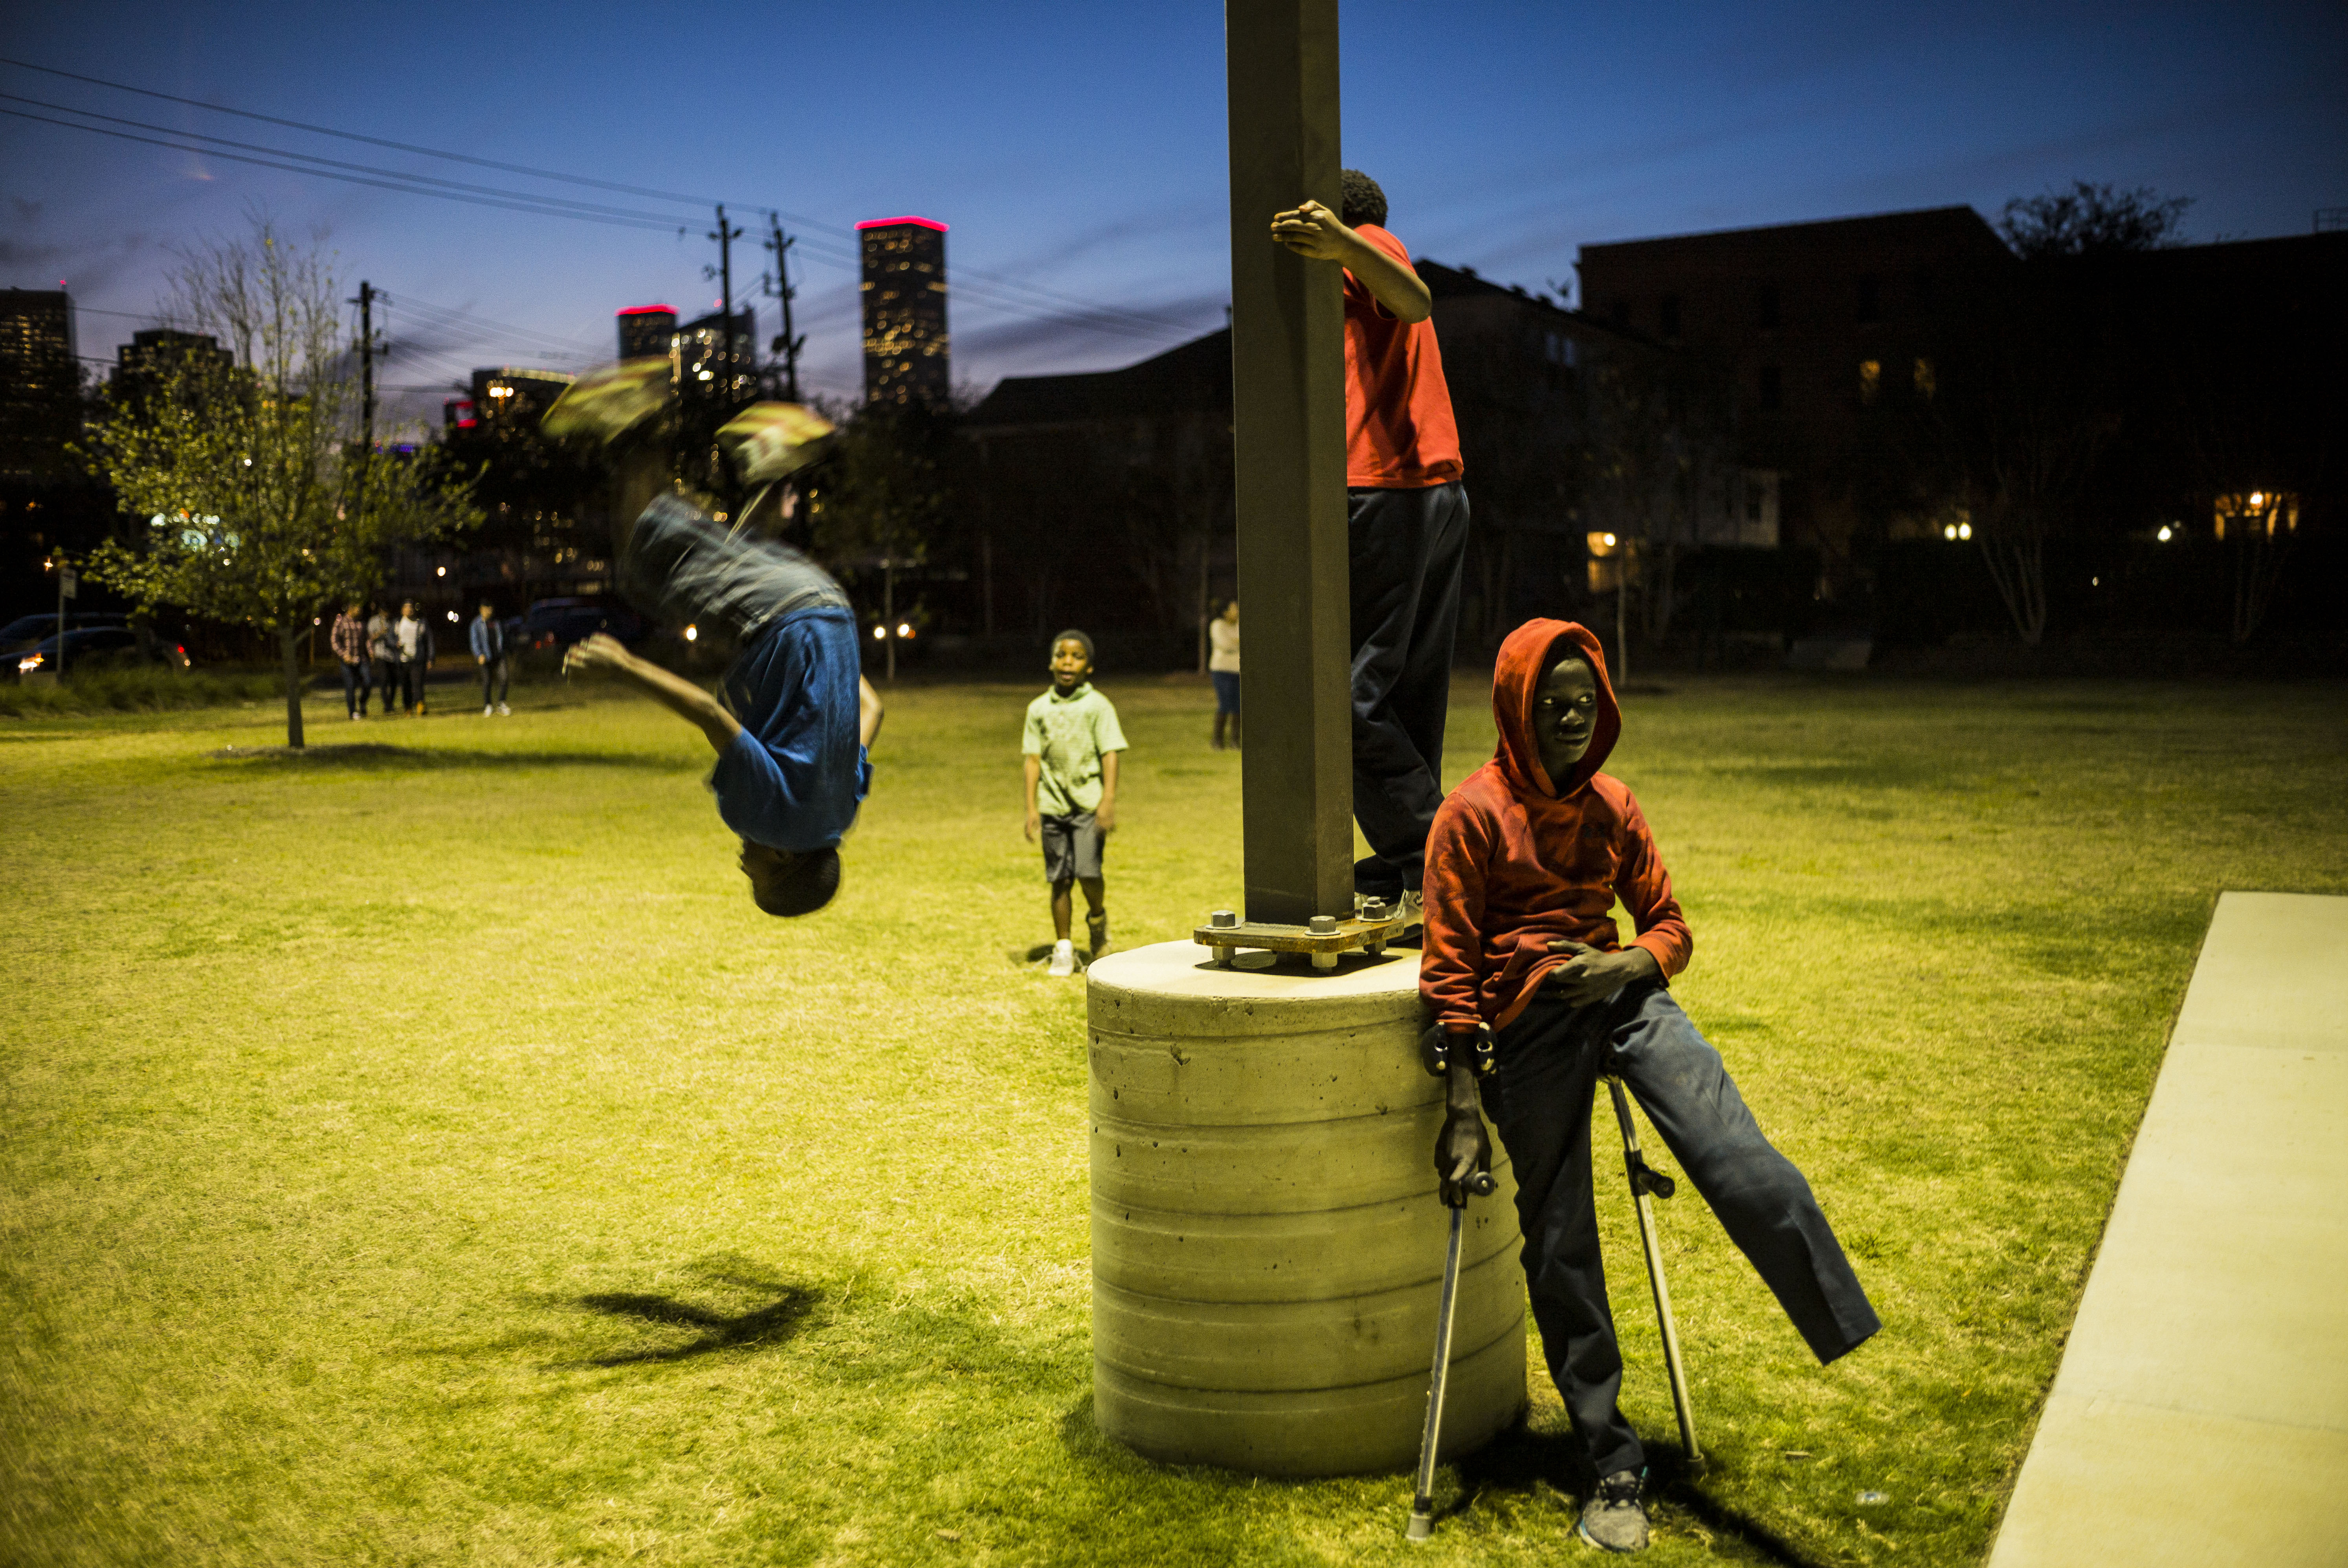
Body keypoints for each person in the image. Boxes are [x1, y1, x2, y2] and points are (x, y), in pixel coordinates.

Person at [1420, 619, 1880, 1554]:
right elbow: (1450, 976)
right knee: (1559, 1244)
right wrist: (1462, 1110)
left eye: (1582, 706)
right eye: (1548, 706)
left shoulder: (1612, 806)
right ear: (1513, 708)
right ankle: (1611, 1461)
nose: (1567, 722)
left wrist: (1626, 961)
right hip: (1530, 1023)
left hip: (1621, 996)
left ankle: (1836, 1318)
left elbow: (1668, 923)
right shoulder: (1467, 815)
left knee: (1739, 1158)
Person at [550, 361, 883, 917]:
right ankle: (634, 416)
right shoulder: (764, 818)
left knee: (726, 555)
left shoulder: (837, 815)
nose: (741, 868)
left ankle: (778, 469)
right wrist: (625, 667)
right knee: (644, 563)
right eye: (754, 880)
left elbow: (872, 708)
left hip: (828, 612)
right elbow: (710, 714)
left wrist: (829, 656)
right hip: (790, 617)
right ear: (781, 859)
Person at [1271, 169, 1467, 926]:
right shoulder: (1357, 278)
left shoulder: (1367, 250)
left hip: (1387, 490)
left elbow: (1416, 301)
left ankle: (1437, 857)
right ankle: (1400, 870)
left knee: (1342, 701)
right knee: (1408, 696)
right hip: (1439, 490)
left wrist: (1342, 241)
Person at [1022, 630, 1126, 977]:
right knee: (1060, 879)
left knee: (1088, 872)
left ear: (1089, 667)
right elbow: (1033, 760)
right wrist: (1032, 808)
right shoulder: (1038, 708)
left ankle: (1098, 921)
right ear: (1052, 662)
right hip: (1053, 806)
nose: (1068, 662)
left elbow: (1110, 752)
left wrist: (1108, 800)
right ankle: (1063, 948)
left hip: (1087, 805)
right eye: (1062, 655)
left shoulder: (1098, 706)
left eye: (1077, 656)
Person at [1208, 598, 1241, 750]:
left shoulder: (1239, 626)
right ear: (1225, 612)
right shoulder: (1217, 625)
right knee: (1225, 703)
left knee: (1238, 705)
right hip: (1221, 671)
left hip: (1238, 671)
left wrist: (1235, 641)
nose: (1238, 611)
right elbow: (1226, 645)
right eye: (1234, 609)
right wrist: (1237, 642)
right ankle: (1217, 740)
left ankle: (1235, 741)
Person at [330, 601, 371, 720]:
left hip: (361, 658)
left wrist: (371, 652)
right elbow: (334, 641)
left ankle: (363, 702)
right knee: (350, 685)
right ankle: (353, 711)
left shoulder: (362, 622)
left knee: (368, 682)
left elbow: (367, 639)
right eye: (358, 607)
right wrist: (343, 655)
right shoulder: (341, 622)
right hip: (347, 660)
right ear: (351, 608)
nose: (361, 610)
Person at [470, 601, 510, 716]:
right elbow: (474, 641)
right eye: (486, 609)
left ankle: (501, 704)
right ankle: (488, 705)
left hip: (499, 655)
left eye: (490, 609)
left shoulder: (497, 622)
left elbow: (502, 638)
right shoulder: (476, 624)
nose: (489, 611)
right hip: (485, 656)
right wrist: (479, 655)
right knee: (487, 681)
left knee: (504, 678)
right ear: (481, 609)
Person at [392, 600, 426, 715]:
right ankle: (408, 707)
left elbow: (428, 640)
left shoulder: (420, 623)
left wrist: (430, 657)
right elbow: (390, 638)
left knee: (417, 683)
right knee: (406, 685)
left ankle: (420, 705)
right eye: (407, 608)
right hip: (403, 660)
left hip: (416, 659)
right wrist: (396, 644)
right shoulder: (398, 623)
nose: (409, 610)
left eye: (411, 608)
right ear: (402, 610)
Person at [366, 603, 396, 717]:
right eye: (384, 611)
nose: (387, 614)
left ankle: (391, 702)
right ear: (380, 611)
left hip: (393, 656)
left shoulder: (393, 622)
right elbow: (369, 638)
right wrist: (380, 633)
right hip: (380, 654)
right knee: (384, 680)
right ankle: (387, 705)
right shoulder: (374, 621)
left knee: (394, 681)